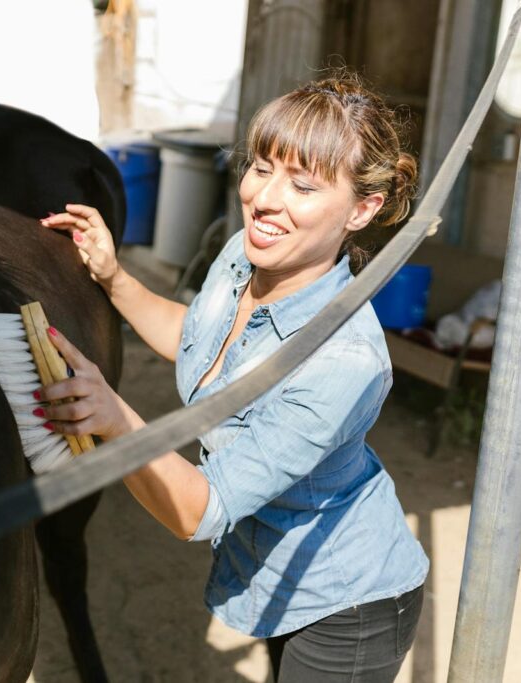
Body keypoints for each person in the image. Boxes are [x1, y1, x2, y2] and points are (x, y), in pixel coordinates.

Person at [36, 75, 429, 682]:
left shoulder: (344, 360)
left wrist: (117, 420)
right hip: (275, 572)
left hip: (347, 603)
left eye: (302, 185)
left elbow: (202, 508)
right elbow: (195, 341)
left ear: (362, 209)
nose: (266, 200)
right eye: (262, 168)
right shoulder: (247, 253)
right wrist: (114, 278)